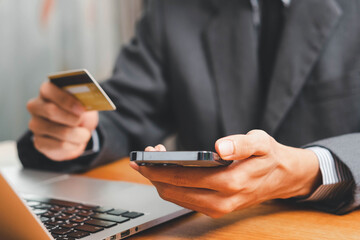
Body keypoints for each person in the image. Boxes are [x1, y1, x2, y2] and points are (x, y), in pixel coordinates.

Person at [18, 0, 360, 217]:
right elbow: (125, 112)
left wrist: (312, 169)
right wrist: (75, 132)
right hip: (208, 227)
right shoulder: (174, 11)